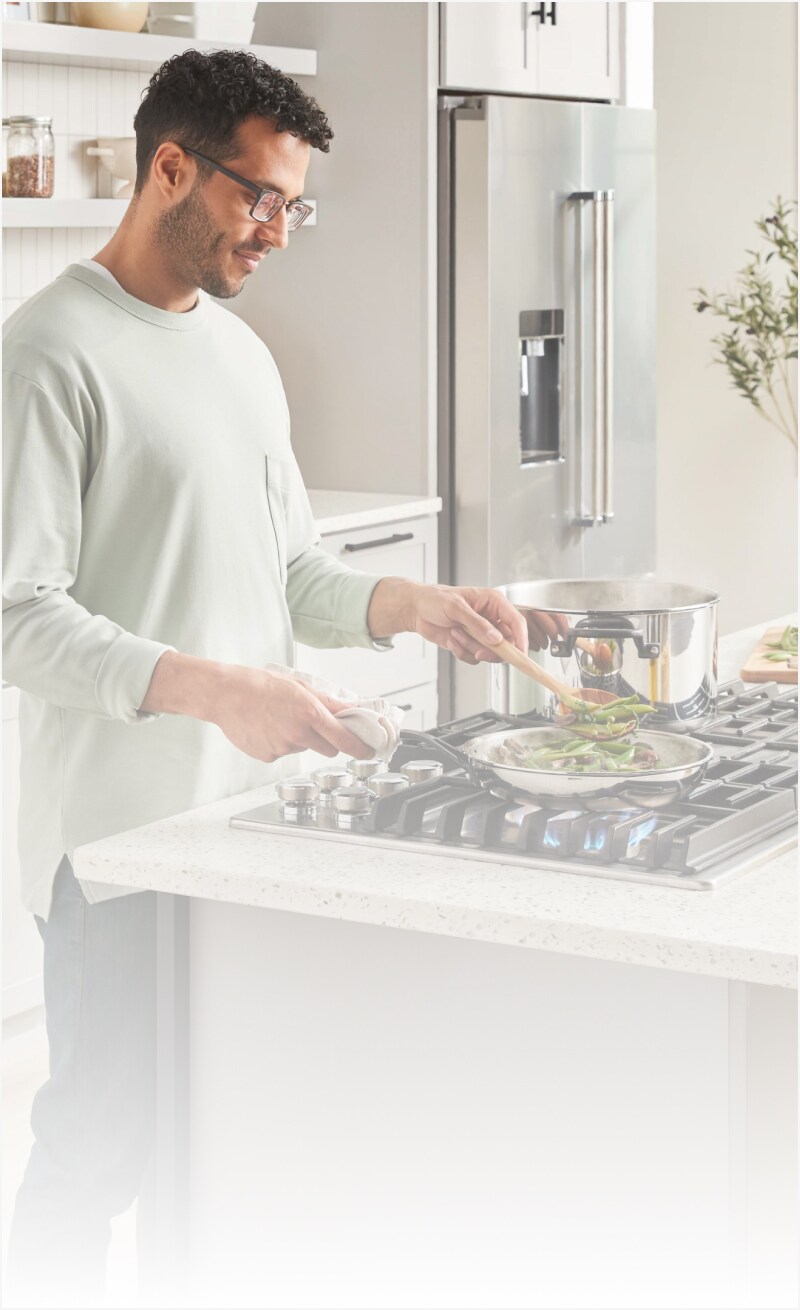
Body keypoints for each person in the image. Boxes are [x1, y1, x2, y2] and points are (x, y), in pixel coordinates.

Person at [2, 49, 531, 1307]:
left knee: (223, 1148)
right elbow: (17, 615)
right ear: (169, 168)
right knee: (100, 1147)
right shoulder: (45, 353)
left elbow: (289, 571)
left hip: (253, 832)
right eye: (260, 198)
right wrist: (217, 688)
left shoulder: (240, 354)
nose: (279, 231)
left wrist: (412, 604)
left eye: (296, 206)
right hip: (118, 849)